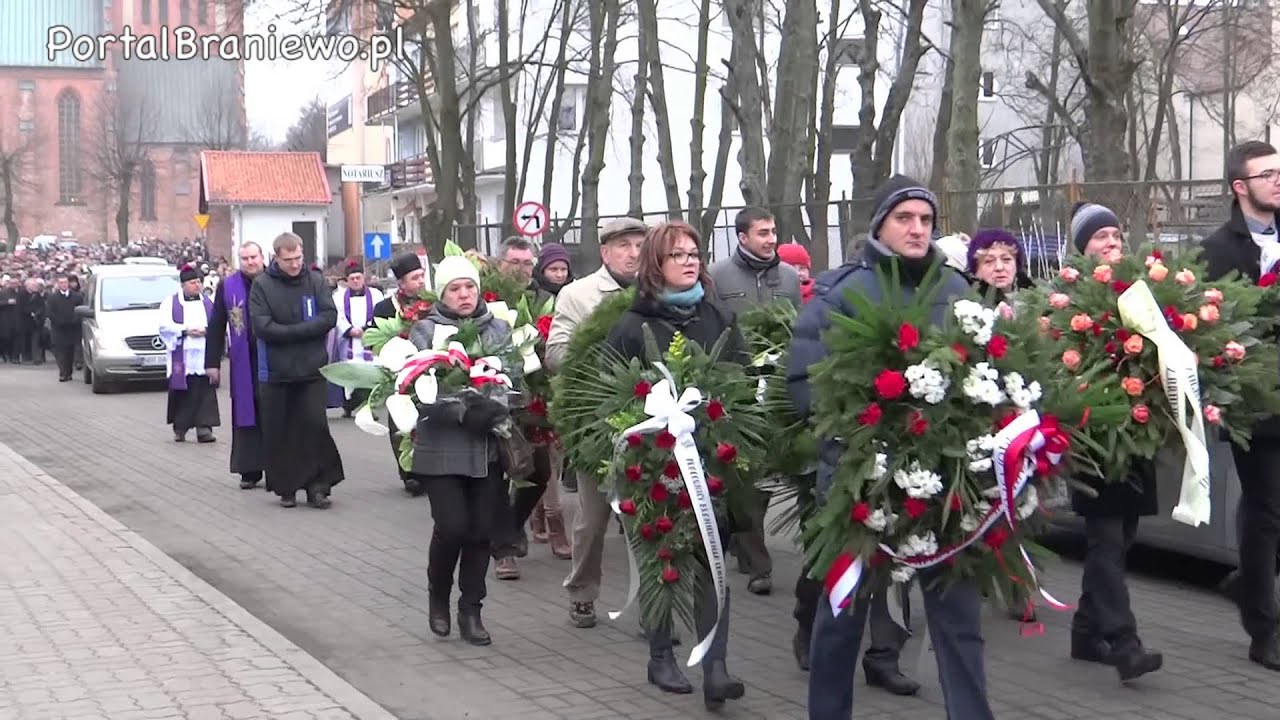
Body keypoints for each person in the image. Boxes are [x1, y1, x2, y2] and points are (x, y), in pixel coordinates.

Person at [788, 175, 981, 719]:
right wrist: (861, 434)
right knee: (843, 612)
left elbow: (983, 369)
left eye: (926, 220)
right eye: (905, 218)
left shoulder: (955, 289)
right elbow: (804, 380)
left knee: (958, 617)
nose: (918, 229)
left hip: (945, 485)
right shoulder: (842, 289)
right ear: (879, 225)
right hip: (860, 482)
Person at [605, 220, 746, 708]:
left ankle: (717, 666)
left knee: (712, 558)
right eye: (677, 255)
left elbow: (742, 377)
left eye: (694, 253)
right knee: (662, 559)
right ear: (655, 266)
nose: (690, 261)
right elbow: (611, 395)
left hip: (711, 459)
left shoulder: (717, 317)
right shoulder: (632, 325)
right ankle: (660, 654)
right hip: (655, 466)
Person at [1066, 201, 1163, 682]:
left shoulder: (1142, 295)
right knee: (1105, 541)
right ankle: (1125, 642)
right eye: (1100, 236)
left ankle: (1085, 634)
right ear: (1083, 247)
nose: (1111, 242)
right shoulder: (1069, 300)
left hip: (1135, 433)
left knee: (1120, 540)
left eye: (1116, 235)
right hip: (1093, 440)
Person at [408, 255, 516, 647]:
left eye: (469, 286)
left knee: (481, 532)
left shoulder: (500, 329)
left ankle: (471, 608)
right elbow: (420, 385)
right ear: (443, 293)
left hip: (485, 448)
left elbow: (513, 375)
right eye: (455, 288)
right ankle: (438, 594)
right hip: (442, 448)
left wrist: (494, 407)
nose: (464, 294)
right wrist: (461, 410)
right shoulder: (425, 330)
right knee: (452, 526)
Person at [1202, 140, 1280, 671]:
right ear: (1240, 186)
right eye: (1267, 174)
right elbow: (1210, 327)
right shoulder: (1219, 250)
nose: (1278, 181)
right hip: (1257, 403)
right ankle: (1264, 628)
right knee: (1267, 510)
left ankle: (1248, 579)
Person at [549, 217, 645, 628]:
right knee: (593, 520)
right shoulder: (579, 294)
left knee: (650, 516)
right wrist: (597, 355)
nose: (633, 254)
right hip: (597, 423)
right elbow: (554, 354)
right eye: (624, 245)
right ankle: (582, 591)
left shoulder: (659, 291)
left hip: (651, 421)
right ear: (606, 252)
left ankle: (653, 606)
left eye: (640, 245)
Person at [709, 206, 802, 596]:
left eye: (773, 231)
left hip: (777, 384)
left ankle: (742, 541)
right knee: (744, 474)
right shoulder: (718, 276)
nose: (770, 239)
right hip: (738, 385)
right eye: (762, 233)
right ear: (742, 237)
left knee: (771, 470)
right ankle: (757, 563)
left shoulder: (790, 277)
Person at [494, 242, 576, 580]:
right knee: (495, 477)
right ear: (501, 264)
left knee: (540, 471)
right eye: (514, 262)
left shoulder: (543, 298)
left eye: (527, 262)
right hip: (495, 401)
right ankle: (503, 551)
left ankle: (515, 526)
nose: (522, 268)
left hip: (534, 399)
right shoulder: (488, 297)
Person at [249, 232, 345, 509]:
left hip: (312, 368)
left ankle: (318, 486)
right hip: (277, 372)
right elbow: (262, 326)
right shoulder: (263, 286)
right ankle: (286, 486)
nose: (294, 264)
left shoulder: (315, 281)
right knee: (281, 430)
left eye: (298, 258)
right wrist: (301, 332)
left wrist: (293, 332)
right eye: (288, 259)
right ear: (276, 258)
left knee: (314, 426)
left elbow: (328, 317)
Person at [206, 242, 269, 490]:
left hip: (272, 357)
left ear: (262, 257)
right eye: (245, 258)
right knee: (246, 411)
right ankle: (249, 469)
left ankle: (275, 466)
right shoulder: (228, 285)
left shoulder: (274, 281)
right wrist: (212, 363)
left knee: (271, 410)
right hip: (243, 360)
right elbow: (217, 324)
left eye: (254, 257)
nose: (250, 262)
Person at [527, 242, 574, 560]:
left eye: (562, 269)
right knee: (541, 455)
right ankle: (551, 519)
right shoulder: (530, 299)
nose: (558, 274)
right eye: (552, 269)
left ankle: (542, 510)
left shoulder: (575, 296)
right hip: (536, 386)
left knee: (556, 457)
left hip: (564, 386)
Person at [370, 253, 432, 496]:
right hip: (399, 370)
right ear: (401, 283)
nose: (420, 282)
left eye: (422, 276)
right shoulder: (385, 308)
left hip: (428, 369)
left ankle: (428, 469)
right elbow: (374, 338)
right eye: (414, 278)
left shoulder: (433, 303)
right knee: (400, 420)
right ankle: (408, 473)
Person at [159, 264, 220, 443]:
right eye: (193, 282)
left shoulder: (208, 302)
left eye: (199, 282)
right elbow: (163, 326)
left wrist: (207, 330)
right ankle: (181, 427)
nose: (197, 285)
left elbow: (218, 323)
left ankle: (204, 427)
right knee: (182, 390)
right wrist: (185, 330)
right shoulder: (171, 303)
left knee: (204, 390)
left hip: (203, 355)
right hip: (183, 354)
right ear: (183, 284)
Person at [327, 259, 384, 416]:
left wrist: (368, 329)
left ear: (363, 277)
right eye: (352, 279)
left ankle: (369, 406)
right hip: (349, 343)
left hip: (370, 341)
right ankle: (348, 405)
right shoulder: (338, 297)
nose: (356, 281)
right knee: (350, 376)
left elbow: (380, 314)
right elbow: (337, 317)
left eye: (358, 277)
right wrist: (349, 329)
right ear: (347, 280)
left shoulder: (376, 295)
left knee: (371, 375)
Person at [45, 274, 82, 382]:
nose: (63, 284)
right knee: (60, 352)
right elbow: (50, 312)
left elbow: (80, 310)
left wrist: (74, 321)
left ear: (68, 283)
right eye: (61, 283)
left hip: (72, 328)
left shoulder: (76, 296)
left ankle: (69, 372)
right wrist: (58, 322)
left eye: (65, 282)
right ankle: (63, 373)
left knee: (70, 352)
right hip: (59, 329)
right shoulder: (53, 297)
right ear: (58, 284)